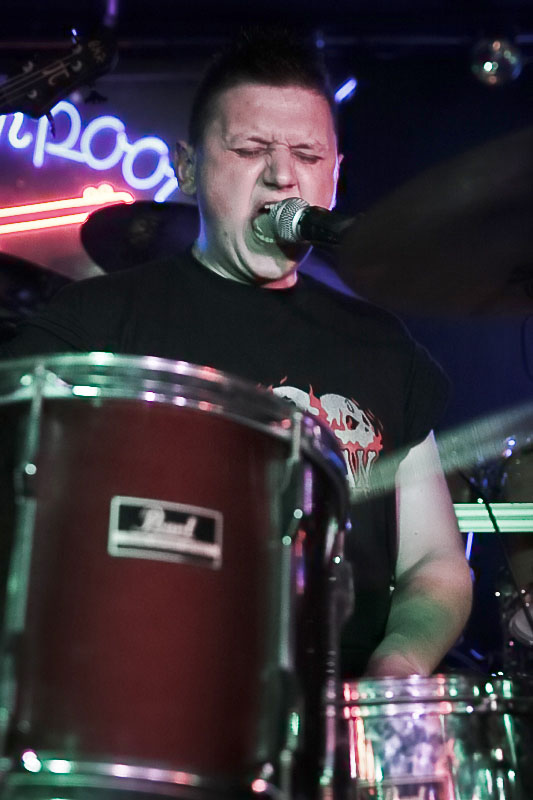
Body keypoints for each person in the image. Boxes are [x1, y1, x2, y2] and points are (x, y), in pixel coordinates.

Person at [0, 28, 472, 678]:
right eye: (250, 150)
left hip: (337, 718)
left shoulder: (382, 344)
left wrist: (398, 664)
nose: (282, 175)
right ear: (187, 167)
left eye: (307, 155)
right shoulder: (91, 323)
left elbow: (433, 563)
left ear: (335, 175)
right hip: (143, 703)